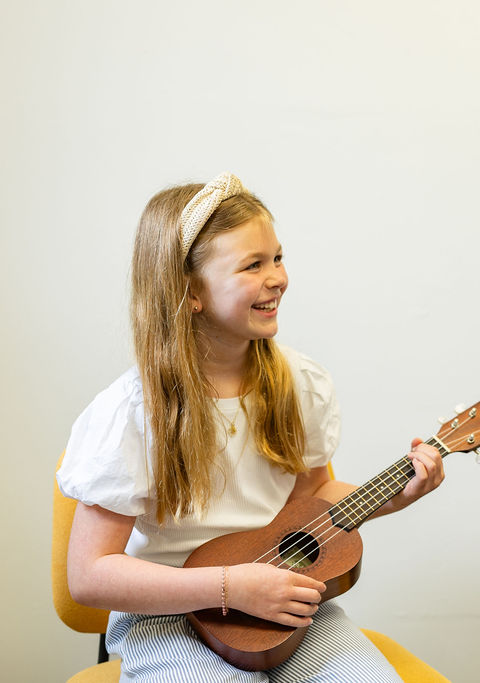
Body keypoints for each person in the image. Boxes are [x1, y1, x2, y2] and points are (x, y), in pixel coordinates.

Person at [58, 173, 444, 682]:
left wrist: (398, 493)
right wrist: (228, 587)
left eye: (278, 258)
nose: (277, 278)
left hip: (281, 596)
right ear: (190, 291)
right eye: (252, 265)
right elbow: (88, 576)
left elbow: (311, 498)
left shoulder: (298, 384)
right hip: (167, 612)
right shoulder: (133, 414)